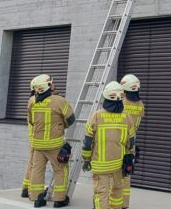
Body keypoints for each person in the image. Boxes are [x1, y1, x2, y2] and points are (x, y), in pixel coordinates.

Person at [81, 81, 136, 209]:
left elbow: (87, 142)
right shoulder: (127, 117)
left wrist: (86, 159)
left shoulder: (96, 116)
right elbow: (131, 142)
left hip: (101, 165)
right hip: (119, 164)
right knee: (117, 191)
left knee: (101, 193)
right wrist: (130, 157)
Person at [27, 74, 75, 208]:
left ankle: (37, 199)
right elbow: (71, 119)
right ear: (47, 86)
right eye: (51, 83)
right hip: (55, 144)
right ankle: (59, 199)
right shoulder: (59, 100)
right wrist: (60, 126)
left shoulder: (32, 101)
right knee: (61, 170)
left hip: (38, 144)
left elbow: (31, 121)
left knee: (37, 170)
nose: (54, 84)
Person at [119, 74, 145, 209]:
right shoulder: (140, 104)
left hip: (117, 143)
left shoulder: (120, 102)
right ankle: (124, 205)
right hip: (131, 144)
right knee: (126, 176)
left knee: (112, 176)